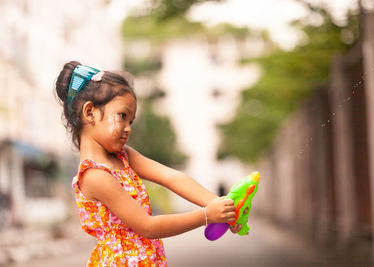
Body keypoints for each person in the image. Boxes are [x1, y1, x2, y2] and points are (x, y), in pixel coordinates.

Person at [54, 61, 240, 266]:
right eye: (122, 116)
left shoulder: (123, 156)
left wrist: (223, 207)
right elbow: (148, 226)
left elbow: (172, 177)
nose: (128, 128)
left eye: (131, 121)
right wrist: (207, 215)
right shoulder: (95, 175)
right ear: (90, 112)